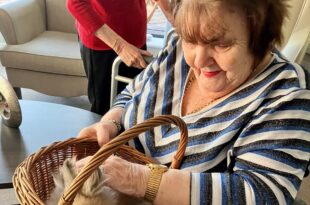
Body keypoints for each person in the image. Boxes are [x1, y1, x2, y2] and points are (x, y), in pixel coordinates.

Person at [77, 0, 310, 204]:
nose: (198, 60)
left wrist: (137, 179)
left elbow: (262, 194)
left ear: (260, 37)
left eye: (221, 44)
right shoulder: (177, 47)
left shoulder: (287, 94)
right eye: (191, 39)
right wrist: (111, 123)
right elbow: (132, 92)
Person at [67, 0, 153, 115]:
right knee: (105, 112)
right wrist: (121, 47)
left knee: (133, 105)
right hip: (105, 45)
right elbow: (75, 3)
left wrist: (176, 22)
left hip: (136, 40)